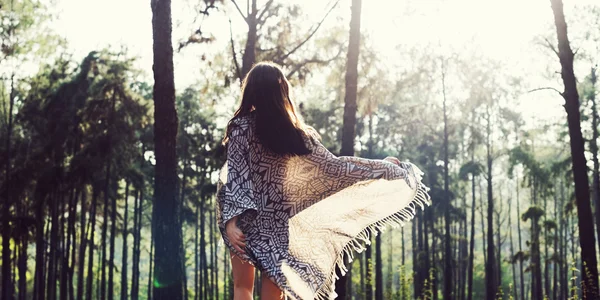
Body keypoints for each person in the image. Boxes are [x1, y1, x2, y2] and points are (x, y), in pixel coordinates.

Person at [216, 61, 430, 300]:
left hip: (244, 220)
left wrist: (231, 221)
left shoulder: (240, 127)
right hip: (275, 223)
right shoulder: (296, 135)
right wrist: (384, 166)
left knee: (242, 288)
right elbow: (338, 167)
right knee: (272, 294)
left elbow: (236, 176)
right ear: (282, 91)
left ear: (252, 91)